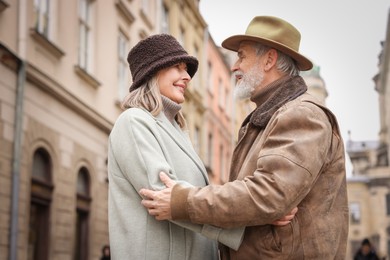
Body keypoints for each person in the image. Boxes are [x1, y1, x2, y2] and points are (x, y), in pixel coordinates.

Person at [140, 16, 349, 259]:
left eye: (242, 56)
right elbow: (268, 198)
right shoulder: (271, 115)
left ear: (269, 59)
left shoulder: (301, 113)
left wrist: (182, 202)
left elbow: (268, 194)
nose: (234, 66)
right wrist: (264, 208)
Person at [107, 34, 295, 260]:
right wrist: (254, 219)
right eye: (177, 67)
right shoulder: (134, 122)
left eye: (186, 69)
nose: (186, 76)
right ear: (152, 72)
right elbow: (163, 195)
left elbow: (191, 197)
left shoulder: (175, 129)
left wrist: (255, 210)